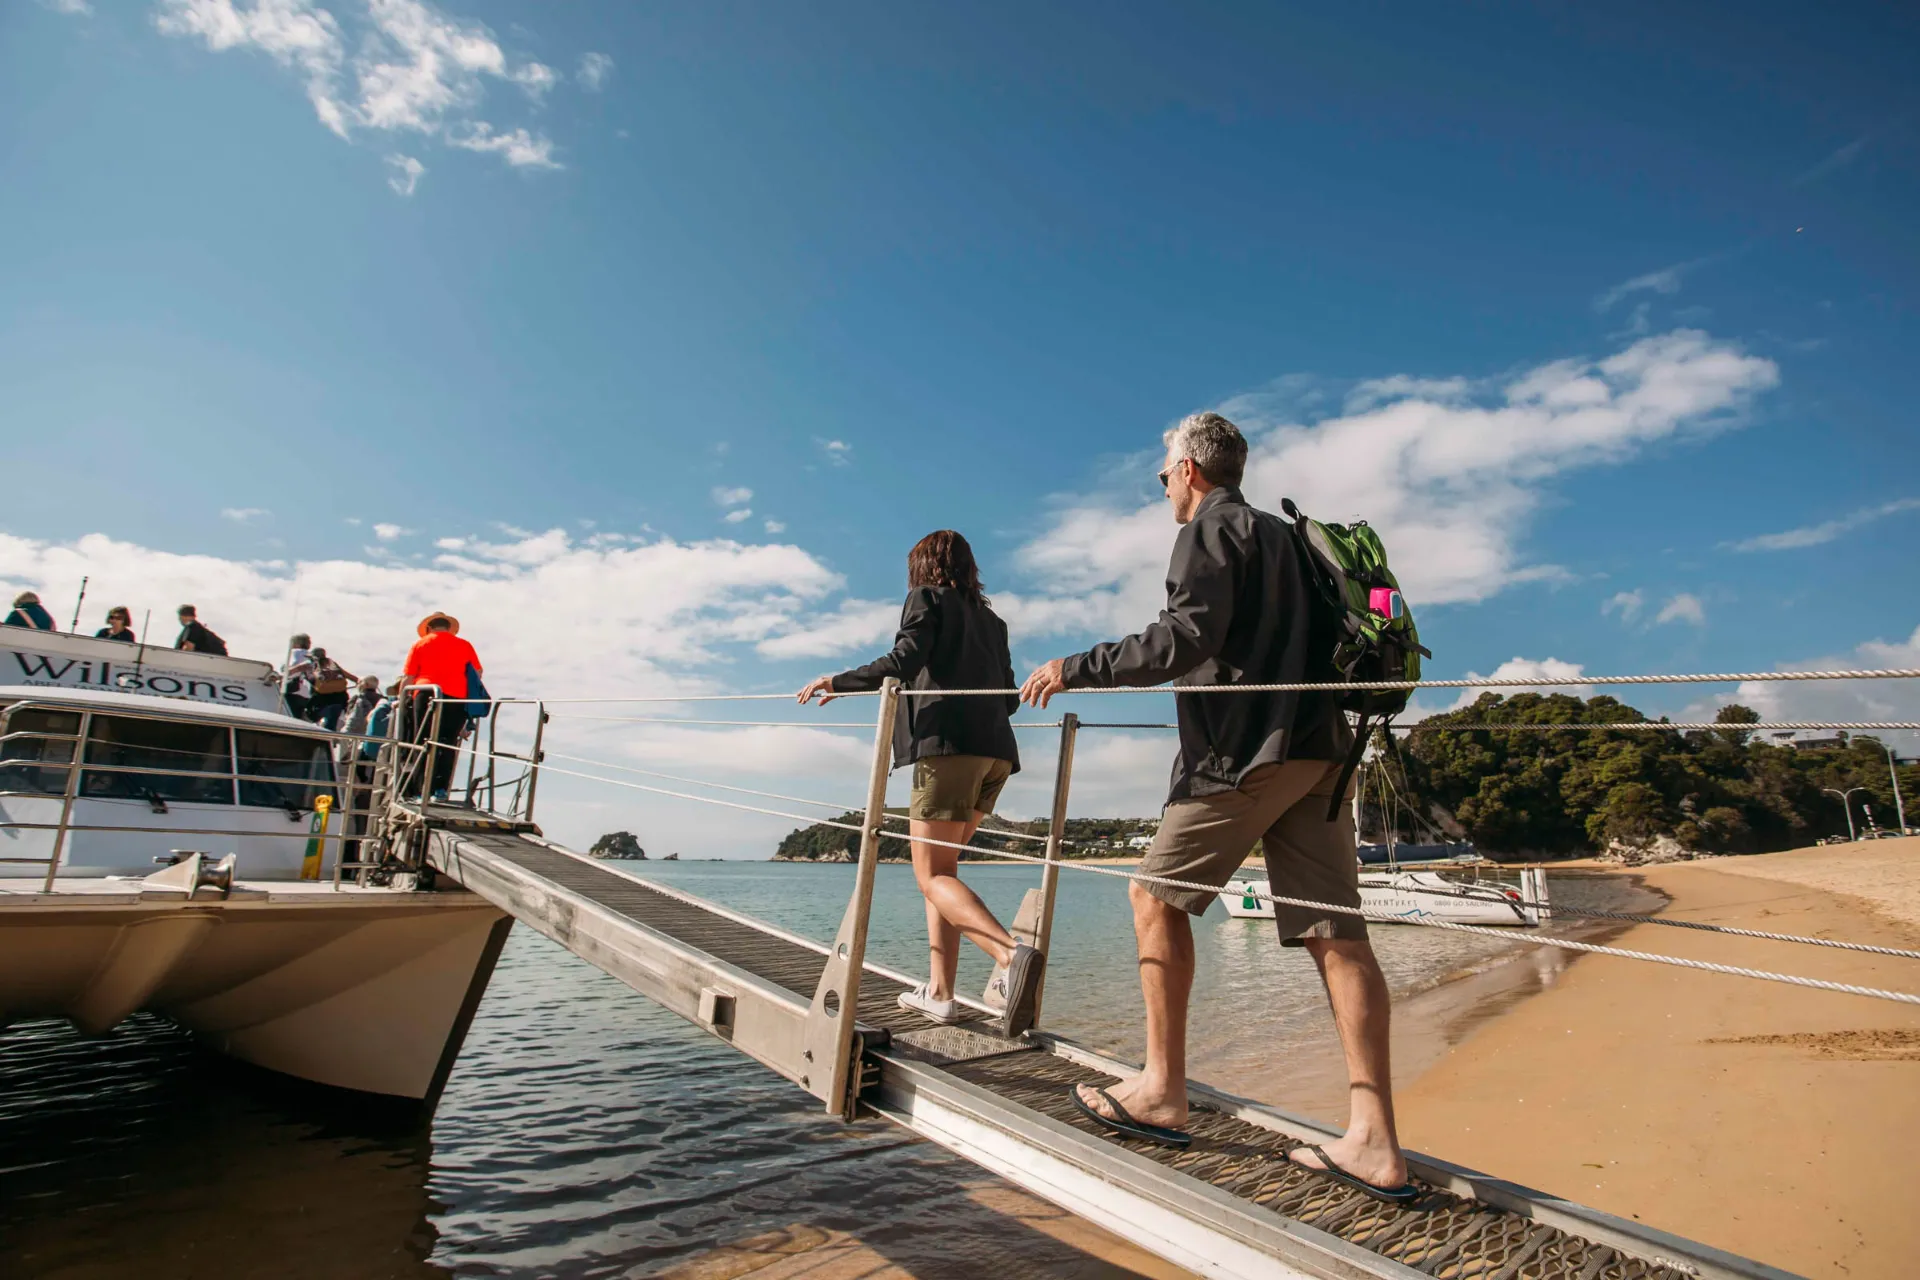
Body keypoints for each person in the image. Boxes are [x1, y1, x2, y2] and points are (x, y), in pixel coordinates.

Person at [1019, 412, 1417, 1204]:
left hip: (1246, 754)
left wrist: (1075, 667)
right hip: (1321, 750)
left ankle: (1160, 1089)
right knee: (1336, 934)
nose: (1163, 486)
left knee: (1153, 898)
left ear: (1191, 471)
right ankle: (1375, 1141)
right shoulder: (1291, 539)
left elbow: (1184, 638)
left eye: (1163, 473)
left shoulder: (1211, 529)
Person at [797, 530, 1045, 1039]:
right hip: (997, 755)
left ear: (922, 566)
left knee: (931, 876)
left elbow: (904, 660)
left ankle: (1010, 955)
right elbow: (1010, 698)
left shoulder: (926, 598)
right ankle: (940, 993)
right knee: (943, 874)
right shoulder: (993, 623)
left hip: (947, 751)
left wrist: (838, 681)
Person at [401, 613, 482, 801]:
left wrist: (402, 699)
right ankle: (440, 789)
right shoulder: (464, 645)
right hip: (456, 696)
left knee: (424, 741)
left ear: (429, 628)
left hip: (426, 693)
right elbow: (477, 672)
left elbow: (408, 677)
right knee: (448, 742)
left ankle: (421, 790)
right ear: (449, 628)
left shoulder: (420, 644)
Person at [306, 647, 358, 730]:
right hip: (340, 699)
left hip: (322, 700)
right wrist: (359, 682)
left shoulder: (312, 666)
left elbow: (312, 680)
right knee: (332, 722)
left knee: (319, 718)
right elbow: (348, 676)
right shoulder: (332, 665)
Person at [282, 634, 314, 721]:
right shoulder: (311, 656)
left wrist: (285, 673)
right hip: (307, 694)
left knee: (288, 719)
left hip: (293, 692)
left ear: (297, 643)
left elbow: (294, 667)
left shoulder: (296, 652)